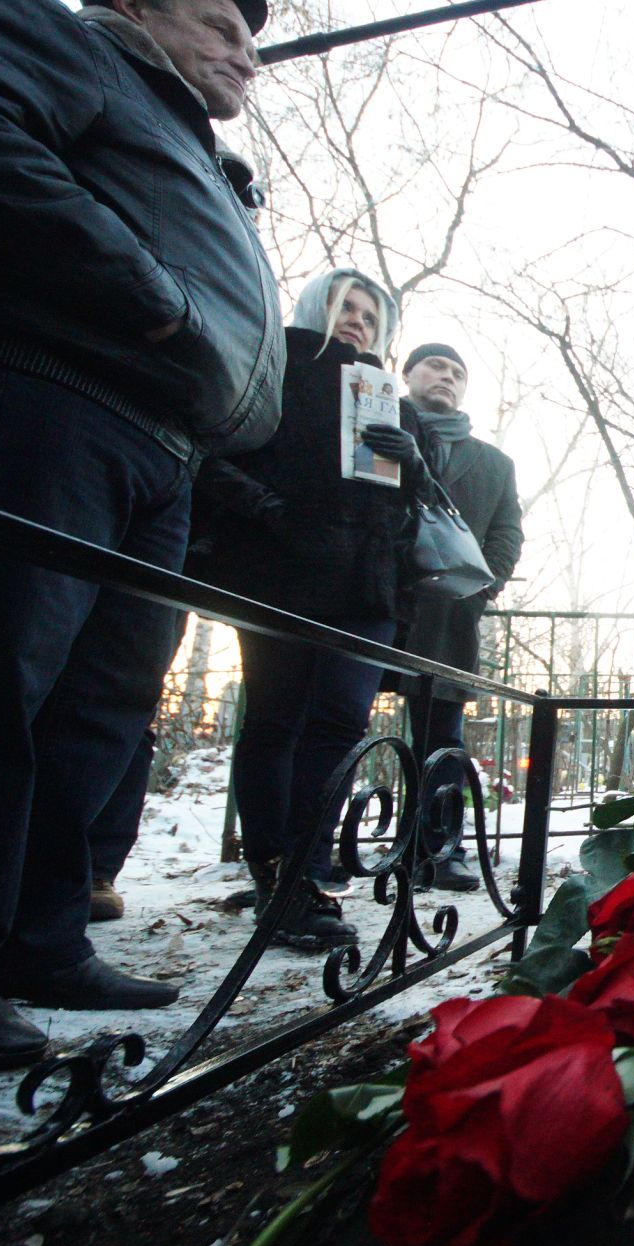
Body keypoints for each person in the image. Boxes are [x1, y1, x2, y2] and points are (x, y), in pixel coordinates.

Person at [0, 0, 279, 1071]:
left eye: (255, 37)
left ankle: (41, 937)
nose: (248, 53)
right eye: (222, 22)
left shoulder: (178, 134)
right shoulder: (76, 48)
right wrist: (149, 297)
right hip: (53, 393)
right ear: (134, 7)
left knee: (101, 708)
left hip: (165, 447)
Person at [192, 270, 419, 952]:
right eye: (345, 307)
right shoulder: (275, 368)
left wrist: (415, 466)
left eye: (370, 316)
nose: (357, 322)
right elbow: (216, 455)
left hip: (366, 585)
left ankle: (307, 867)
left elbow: (403, 507)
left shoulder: (384, 395)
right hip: (281, 575)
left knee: (341, 719)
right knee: (275, 718)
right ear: (316, 307)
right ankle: (275, 873)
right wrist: (274, 514)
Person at [396, 342, 523, 891]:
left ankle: (440, 849)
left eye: (456, 372)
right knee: (339, 721)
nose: (446, 376)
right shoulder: (371, 424)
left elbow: (507, 530)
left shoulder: (493, 462)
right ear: (408, 374)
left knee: (441, 734)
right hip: (374, 597)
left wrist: (483, 583)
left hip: (448, 612)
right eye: (434, 366)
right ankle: (317, 855)